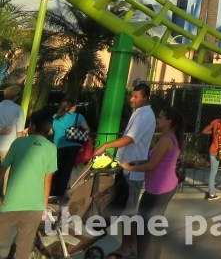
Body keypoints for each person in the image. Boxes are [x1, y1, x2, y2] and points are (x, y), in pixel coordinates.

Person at [119, 107, 183, 259]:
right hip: (165, 186)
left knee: (145, 230)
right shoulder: (172, 137)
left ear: (169, 121)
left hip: (158, 190)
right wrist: (135, 162)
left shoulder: (167, 139)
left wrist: (129, 167)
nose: (157, 120)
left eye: (160, 117)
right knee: (154, 228)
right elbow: (154, 161)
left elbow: (152, 165)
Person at [0, 111, 56, 259]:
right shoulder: (51, 148)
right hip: (35, 205)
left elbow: (2, 170)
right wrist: (44, 206)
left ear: (32, 126)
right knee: (24, 245)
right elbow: (48, 179)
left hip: (10, 203)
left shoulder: (18, 143)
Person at [95, 83, 155, 218]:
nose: (131, 99)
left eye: (136, 96)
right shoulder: (138, 113)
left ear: (145, 98)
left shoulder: (144, 115)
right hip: (125, 168)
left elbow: (130, 139)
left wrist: (105, 145)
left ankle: (130, 239)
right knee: (123, 209)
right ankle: (128, 238)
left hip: (133, 171)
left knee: (129, 211)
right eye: (131, 96)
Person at [51, 99, 90, 198]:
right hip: (73, 146)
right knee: (66, 170)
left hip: (58, 145)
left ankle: (52, 191)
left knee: (56, 169)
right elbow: (87, 129)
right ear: (72, 107)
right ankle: (60, 193)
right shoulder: (78, 116)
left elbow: (51, 130)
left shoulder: (56, 116)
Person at [200, 110, 221, 201]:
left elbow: (204, 131)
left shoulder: (215, 122)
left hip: (213, 150)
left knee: (213, 173)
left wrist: (213, 133)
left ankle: (211, 194)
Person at [0, 87, 25, 161]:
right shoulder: (18, 109)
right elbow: (19, 131)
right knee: (6, 171)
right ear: (16, 96)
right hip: (8, 146)